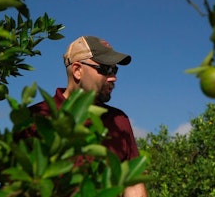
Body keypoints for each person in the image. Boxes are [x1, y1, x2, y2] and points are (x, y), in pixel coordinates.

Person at [23, 36, 147, 197]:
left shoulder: (119, 120)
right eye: (105, 69)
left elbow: (133, 185)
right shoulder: (35, 118)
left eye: (114, 70)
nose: (113, 77)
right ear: (77, 70)